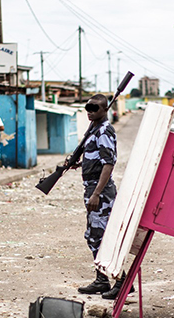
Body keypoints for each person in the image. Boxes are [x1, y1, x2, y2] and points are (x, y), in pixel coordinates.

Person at [68, 94, 132, 300]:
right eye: (88, 107)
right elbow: (96, 158)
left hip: (101, 192)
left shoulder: (104, 130)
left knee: (101, 237)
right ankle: (102, 279)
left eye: (95, 108)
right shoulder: (94, 129)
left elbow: (108, 163)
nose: (90, 111)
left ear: (105, 110)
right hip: (93, 189)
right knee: (94, 236)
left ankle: (122, 281)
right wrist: (80, 163)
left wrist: (96, 193)